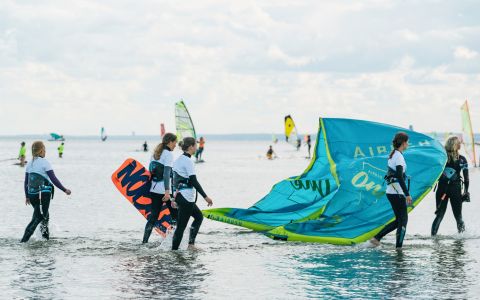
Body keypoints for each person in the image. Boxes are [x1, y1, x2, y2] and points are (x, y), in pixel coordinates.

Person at [21, 141, 71, 242]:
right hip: (42, 195)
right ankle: (23, 241)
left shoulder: (30, 164)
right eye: (44, 149)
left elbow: (26, 182)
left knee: (45, 217)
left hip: (32, 195)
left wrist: (27, 196)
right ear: (40, 151)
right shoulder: (45, 163)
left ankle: (45, 240)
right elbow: (53, 179)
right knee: (39, 217)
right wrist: (64, 189)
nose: (45, 152)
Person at [369, 132, 411, 249]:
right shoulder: (398, 157)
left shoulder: (393, 155)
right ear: (403, 143)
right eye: (407, 142)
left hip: (391, 192)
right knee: (403, 221)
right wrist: (407, 194)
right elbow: (399, 176)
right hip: (397, 193)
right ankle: (399, 248)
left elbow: (396, 175)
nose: (408, 144)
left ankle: (376, 238)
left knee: (399, 220)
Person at [171, 137, 213, 250]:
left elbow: (174, 180)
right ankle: (174, 251)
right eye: (195, 145)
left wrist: (173, 198)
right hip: (186, 197)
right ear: (190, 147)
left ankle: (190, 245)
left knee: (198, 217)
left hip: (180, 196)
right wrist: (206, 197)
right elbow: (193, 181)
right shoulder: (188, 161)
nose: (197, 147)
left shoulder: (178, 160)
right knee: (181, 227)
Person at [143, 133, 178, 243]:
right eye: (175, 142)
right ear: (170, 142)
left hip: (154, 190)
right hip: (165, 190)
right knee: (175, 216)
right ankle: (174, 241)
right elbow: (166, 174)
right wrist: (167, 192)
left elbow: (151, 172)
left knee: (153, 217)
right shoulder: (168, 154)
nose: (175, 145)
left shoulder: (155, 154)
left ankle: (144, 242)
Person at [431, 136, 469, 235]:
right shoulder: (462, 160)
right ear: (455, 145)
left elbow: (433, 173)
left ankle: (433, 239)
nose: (460, 144)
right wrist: (466, 191)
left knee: (439, 216)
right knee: (458, 217)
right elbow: (466, 179)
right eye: (459, 143)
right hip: (455, 190)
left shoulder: (442, 158)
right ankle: (461, 239)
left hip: (442, 189)